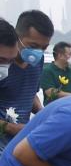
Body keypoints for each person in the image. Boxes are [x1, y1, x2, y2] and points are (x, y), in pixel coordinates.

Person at [0, 10, 54, 149]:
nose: (37, 52)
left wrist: (43, 112)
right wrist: (12, 128)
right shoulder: (3, 65)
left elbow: (31, 93)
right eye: (33, 46)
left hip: (21, 141)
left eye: (44, 48)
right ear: (16, 38)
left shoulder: (38, 61)